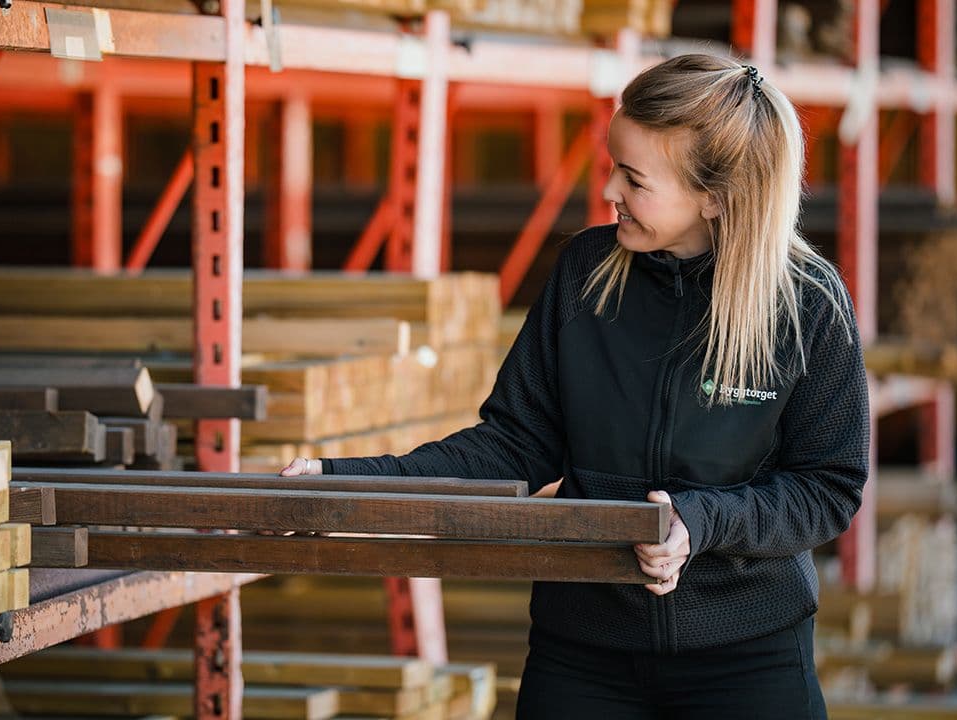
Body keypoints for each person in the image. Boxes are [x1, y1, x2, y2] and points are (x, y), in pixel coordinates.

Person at [280, 54, 869, 718]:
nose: (610, 190)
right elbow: (511, 448)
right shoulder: (586, 272)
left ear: (716, 196)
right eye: (613, 163)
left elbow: (827, 487)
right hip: (583, 657)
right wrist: (348, 481)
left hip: (748, 660)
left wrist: (700, 522)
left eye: (635, 178)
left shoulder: (809, 306)